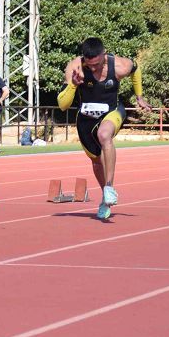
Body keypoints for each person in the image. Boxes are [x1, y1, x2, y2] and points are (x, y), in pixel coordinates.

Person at [57, 37, 151, 221]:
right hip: (85, 119)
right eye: (89, 65)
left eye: (97, 64)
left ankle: (109, 186)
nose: (93, 69)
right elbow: (63, 105)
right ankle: (105, 197)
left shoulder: (120, 66)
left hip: (112, 111)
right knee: (96, 162)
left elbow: (136, 69)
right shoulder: (75, 67)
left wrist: (139, 96)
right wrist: (73, 86)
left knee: (104, 134)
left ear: (104, 55)